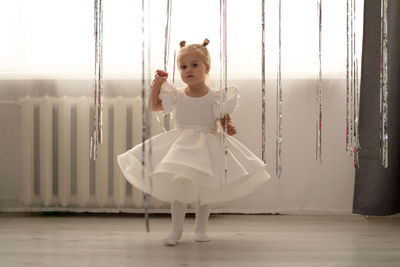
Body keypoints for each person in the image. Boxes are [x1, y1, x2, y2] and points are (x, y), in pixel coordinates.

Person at [117, 38, 271, 246]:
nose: (188, 70)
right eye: (183, 66)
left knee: (204, 192)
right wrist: (158, 84)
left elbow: (222, 116)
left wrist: (228, 125)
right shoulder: (178, 95)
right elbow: (154, 106)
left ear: (207, 68)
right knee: (180, 190)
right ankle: (176, 230)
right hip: (182, 146)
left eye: (194, 65)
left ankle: (200, 229)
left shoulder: (216, 96)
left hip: (209, 146)